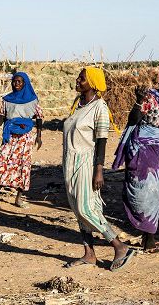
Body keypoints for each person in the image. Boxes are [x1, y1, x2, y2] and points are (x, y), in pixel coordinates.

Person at [63, 67, 133, 271]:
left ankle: (119, 246)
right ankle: (89, 254)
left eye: (82, 78)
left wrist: (99, 170)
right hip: (69, 161)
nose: (77, 80)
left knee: (86, 208)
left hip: (86, 162)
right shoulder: (78, 104)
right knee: (77, 209)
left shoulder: (99, 107)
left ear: (92, 83)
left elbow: (102, 140)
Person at [112, 68, 159, 251]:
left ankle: (147, 237)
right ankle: (149, 239)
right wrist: (138, 101)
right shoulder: (148, 97)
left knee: (157, 194)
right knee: (143, 193)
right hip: (142, 151)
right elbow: (133, 120)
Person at [0, 72, 43, 208]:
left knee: (23, 166)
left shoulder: (33, 100)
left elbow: (39, 117)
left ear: (25, 83)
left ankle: (19, 198)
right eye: (14, 81)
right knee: (2, 163)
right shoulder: (7, 100)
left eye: (19, 82)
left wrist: (39, 136)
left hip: (25, 138)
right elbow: (1, 118)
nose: (16, 84)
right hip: (9, 136)